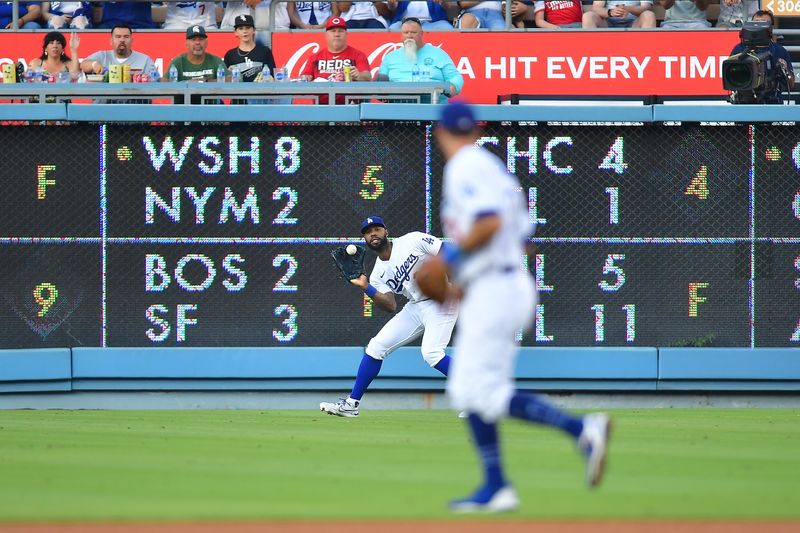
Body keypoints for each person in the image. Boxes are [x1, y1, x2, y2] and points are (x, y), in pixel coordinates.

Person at [433, 101, 611, 512]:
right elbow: (519, 235)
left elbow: (489, 222)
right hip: (502, 281)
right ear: (475, 130)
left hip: (497, 286)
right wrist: (472, 277)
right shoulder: (492, 166)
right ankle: (497, 485)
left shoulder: (464, 166)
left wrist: (452, 263)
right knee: (471, 389)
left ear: (441, 133)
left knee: (476, 390)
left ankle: (580, 428)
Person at [319, 216, 459, 417]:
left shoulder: (413, 240)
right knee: (376, 347)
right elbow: (390, 305)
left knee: (431, 353)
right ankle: (352, 404)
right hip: (416, 306)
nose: (373, 233)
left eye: (376, 229)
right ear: (365, 239)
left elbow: (448, 252)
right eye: (368, 232)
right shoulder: (378, 273)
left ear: (386, 231)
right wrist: (366, 287)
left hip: (442, 299)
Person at [375, 17, 464, 103]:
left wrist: (453, 86)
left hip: (433, 105)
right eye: (406, 33)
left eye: (413, 32)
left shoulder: (438, 54)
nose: (409, 36)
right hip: (398, 107)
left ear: (421, 34)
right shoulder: (390, 58)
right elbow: (380, 83)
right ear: (401, 35)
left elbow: (455, 77)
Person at [299, 16, 371, 104]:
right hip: (321, 106)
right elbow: (304, 78)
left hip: (350, 106)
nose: (337, 34)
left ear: (346, 34)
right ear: (326, 35)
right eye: (333, 31)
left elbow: (368, 77)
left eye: (340, 31)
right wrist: (306, 78)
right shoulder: (315, 57)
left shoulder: (358, 55)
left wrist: (358, 75)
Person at [729, 10, 796, 103]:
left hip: (772, 103)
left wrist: (784, 70)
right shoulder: (739, 49)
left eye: (763, 24)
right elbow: (730, 79)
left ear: (771, 28)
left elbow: (791, 84)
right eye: (756, 23)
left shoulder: (779, 50)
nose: (758, 27)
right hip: (745, 104)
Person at [80, 24, 156, 76]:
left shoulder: (145, 60)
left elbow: (155, 82)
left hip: (135, 99)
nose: (122, 40)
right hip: (104, 99)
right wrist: (94, 65)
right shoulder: (102, 56)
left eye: (126, 37)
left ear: (132, 41)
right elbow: (82, 65)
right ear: (111, 41)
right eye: (118, 37)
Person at [223, 14, 276, 81]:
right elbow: (224, 81)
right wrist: (229, 74)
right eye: (241, 28)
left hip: (260, 90)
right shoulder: (230, 54)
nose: (245, 31)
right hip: (237, 90)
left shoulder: (265, 51)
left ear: (254, 30)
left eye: (248, 28)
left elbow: (273, 76)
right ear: (235, 32)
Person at [582, 1, 656, 28]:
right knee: (588, 16)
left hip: (634, 23)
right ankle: (592, 51)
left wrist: (629, 9)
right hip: (608, 23)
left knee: (649, 15)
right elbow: (596, 8)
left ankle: (646, 51)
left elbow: (646, 7)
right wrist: (610, 12)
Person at [387, 0, 453, 30]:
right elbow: (392, 8)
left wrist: (443, 1)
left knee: (447, 29)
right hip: (404, 23)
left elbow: (448, 6)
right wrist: (392, 3)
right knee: (392, 29)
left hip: (433, 23)